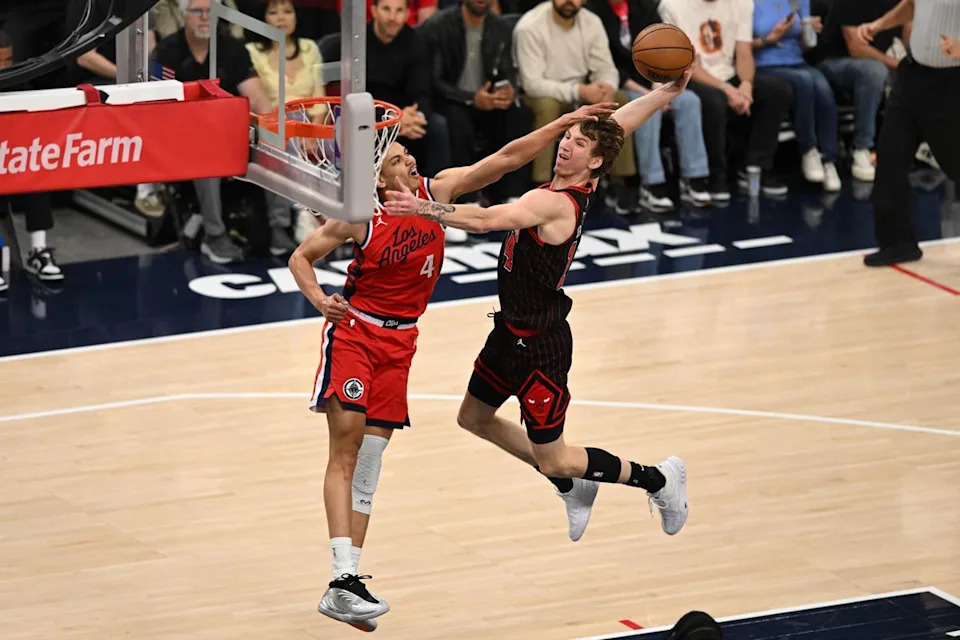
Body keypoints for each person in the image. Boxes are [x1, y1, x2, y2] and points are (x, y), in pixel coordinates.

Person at [290, 102, 617, 631]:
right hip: (356, 332)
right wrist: (318, 298)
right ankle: (341, 578)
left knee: (370, 464)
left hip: (402, 344)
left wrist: (559, 126)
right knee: (346, 449)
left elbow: (506, 159)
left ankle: (347, 584)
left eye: (408, 153)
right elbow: (300, 258)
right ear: (378, 174)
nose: (411, 162)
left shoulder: (435, 195)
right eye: (398, 158)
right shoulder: (359, 216)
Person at [384, 72, 694, 549]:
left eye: (576, 143)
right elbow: (619, 125)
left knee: (557, 457)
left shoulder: (554, 204)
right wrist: (666, 92)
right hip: (509, 332)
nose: (566, 146)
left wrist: (420, 208)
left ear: (594, 162)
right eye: (566, 137)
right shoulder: (579, 169)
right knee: (473, 418)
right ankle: (573, 485)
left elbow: (486, 219)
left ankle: (659, 480)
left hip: (542, 345)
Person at [152, 0, 273, 263]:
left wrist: (272, 129)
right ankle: (214, 235)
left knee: (273, 138)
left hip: (228, 131)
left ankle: (279, 227)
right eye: (197, 11)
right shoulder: (165, 52)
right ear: (185, 15)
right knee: (204, 146)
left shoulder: (232, 48)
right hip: (180, 135)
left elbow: (257, 96)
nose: (205, 18)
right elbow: (157, 106)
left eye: (211, 12)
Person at [857, 0, 960, 266]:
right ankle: (898, 243)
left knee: (954, 163)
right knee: (890, 153)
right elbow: (913, 4)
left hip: (949, 83)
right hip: (913, 73)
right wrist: (879, 25)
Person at [513, 0, 640, 211]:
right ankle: (543, 185)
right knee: (548, 106)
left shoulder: (592, 22)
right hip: (541, 95)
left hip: (582, 91)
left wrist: (606, 87)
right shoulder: (530, 26)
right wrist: (579, 91)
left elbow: (606, 68)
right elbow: (532, 84)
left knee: (617, 100)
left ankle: (620, 182)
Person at [659, 0, 793, 199]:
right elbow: (686, 65)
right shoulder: (671, 6)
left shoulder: (741, 3)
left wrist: (746, 85)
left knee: (778, 91)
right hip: (690, 77)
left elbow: (744, 52)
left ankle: (755, 167)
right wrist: (727, 89)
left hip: (729, 74)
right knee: (714, 101)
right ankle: (716, 175)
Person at [588, 0, 711, 211]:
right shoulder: (593, 12)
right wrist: (652, 98)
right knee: (647, 109)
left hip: (653, 81)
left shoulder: (646, 7)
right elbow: (608, 66)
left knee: (690, 101)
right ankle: (651, 183)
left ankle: (694, 177)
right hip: (621, 83)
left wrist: (659, 89)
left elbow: (663, 52)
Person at [420, 0, 534, 205]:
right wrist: (472, 98)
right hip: (449, 100)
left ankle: (514, 195)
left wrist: (508, 90)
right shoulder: (438, 26)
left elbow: (507, 72)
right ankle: (466, 198)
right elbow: (434, 82)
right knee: (457, 119)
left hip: (487, 100)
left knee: (519, 113)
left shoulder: (500, 27)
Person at [246, 0, 327, 255]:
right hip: (270, 123)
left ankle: (335, 218)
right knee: (281, 142)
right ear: (264, 18)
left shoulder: (310, 48)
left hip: (310, 122)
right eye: (274, 12)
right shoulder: (251, 52)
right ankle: (295, 217)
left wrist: (312, 131)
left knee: (343, 142)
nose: (281, 18)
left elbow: (320, 97)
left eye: (287, 11)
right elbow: (257, 100)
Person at [752, 0, 841, 192]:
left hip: (796, 61)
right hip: (764, 64)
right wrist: (772, 37)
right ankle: (808, 149)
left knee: (823, 88)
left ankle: (828, 160)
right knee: (805, 83)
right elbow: (740, 46)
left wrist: (807, 33)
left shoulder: (798, 2)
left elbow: (805, 46)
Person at [815, 0, 906, 183]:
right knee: (874, 71)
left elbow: (908, 39)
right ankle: (862, 148)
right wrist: (897, 64)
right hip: (834, 63)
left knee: (926, 70)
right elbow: (856, 48)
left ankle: (919, 146)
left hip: (879, 62)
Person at [0, 30, 63, 285]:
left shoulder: (16, 79)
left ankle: (39, 250)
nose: (4, 68)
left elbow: (32, 117)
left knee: (36, 173)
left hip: (12, 156)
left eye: (8, 61)